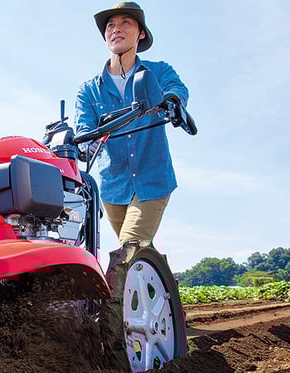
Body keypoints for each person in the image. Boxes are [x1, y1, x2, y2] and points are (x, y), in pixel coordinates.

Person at [73, 2, 189, 289]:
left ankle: (120, 323)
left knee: (127, 250)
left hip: (153, 179)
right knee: (137, 252)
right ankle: (165, 291)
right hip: (113, 187)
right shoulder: (89, 89)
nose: (117, 29)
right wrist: (81, 145)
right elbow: (84, 128)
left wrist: (172, 103)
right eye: (111, 25)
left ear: (140, 35)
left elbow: (177, 89)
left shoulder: (157, 72)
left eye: (126, 23)